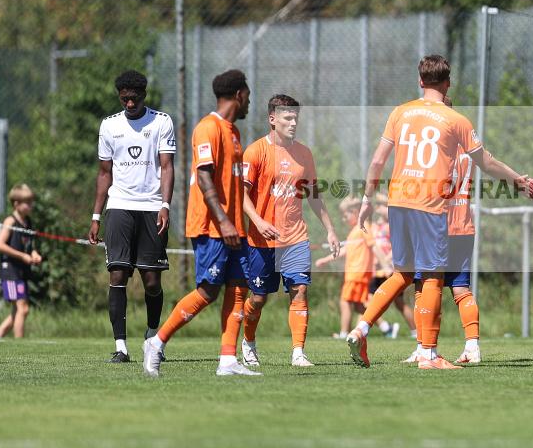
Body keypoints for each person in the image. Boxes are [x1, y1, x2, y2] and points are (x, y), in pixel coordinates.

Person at [346, 54, 533, 370]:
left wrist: (367, 199)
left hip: (397, 202)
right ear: (448, 83)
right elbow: (485, 162)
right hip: (429, 206)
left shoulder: (400, 112)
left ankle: (361, 327)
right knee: (432, 274)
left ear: (420, 81)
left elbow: (378, 161)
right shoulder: (456, 120)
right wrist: (517, 179)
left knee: (403, 273)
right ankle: (429, 355)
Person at [143, 69, 258, 377]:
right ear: (238, 95)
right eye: (247, 95)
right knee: (208, 291)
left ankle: (227, 360)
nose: (249, 101)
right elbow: (205, 177)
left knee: (239, 288)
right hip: (211, 227)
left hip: (233, 227)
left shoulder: (233, 131)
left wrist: (235, 222)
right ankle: (157, 341)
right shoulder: (207, 128)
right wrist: (224, 221)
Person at [239, 94, 339, 368]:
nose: (293, 122)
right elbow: (241, 195)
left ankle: (298, 353)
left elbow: (314, 196)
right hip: (260, 241)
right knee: (258, 299)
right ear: (272, 119)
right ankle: (248, 342)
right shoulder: (255, 151)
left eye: (296, 117)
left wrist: (330, 230)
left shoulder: (304, 153)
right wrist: (258, 222)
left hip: (295, 238)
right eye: (288, 117)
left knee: (300, 290)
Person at [88, 70, 175, 364]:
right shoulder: (109, 126)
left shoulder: (161, 121)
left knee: (151, 280)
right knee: (117, 273)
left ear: (143, 96)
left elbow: (167, 167)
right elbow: (104, 173)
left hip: (151, 207)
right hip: (119, 206)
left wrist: (166, 205)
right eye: (124, 98)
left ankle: (153, 338)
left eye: (134, 98)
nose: (129, 103)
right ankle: (121, 347)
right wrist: (96, 215)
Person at [406, 95, 482, 365]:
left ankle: (425, 348)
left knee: (424, 287)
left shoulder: (438, 147)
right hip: (463, 225)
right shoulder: (468, 147)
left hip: (435, 225)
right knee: (461, 289)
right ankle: (472, 347)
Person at [316, 197, 374, 339]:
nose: (343, 219)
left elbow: (373, 246)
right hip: (354, 273)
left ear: (355, 212)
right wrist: (326, 259)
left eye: (345, 215)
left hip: (357, 272)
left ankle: (344, 333)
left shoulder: (362, 228)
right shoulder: (355, 230)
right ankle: (387, 328)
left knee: (345, 301)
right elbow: (346, 250)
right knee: (359, 305)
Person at [0, 184, 42, 340]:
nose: (30, 206)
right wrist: (22, 256)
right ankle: (19, 343)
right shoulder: (10, 221)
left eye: (30, 202)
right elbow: (0, 245)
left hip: (20, 272)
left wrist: (34, 255)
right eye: (26, 202)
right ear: (16, 203)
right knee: (22, 308)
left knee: (21, 310)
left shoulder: (28, 222)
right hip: (10, 271)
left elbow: (30, 245)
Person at [368, 194, 413, 339]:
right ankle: (371, 329)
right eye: (379, 205)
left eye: (383, 205)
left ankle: (415, 331)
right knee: (368, 299)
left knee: (399, 303)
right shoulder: (375, 226)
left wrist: (387, 260)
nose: (380, 208)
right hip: (378, 270)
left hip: (389, 268)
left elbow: (397, 246)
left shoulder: (391, 226)